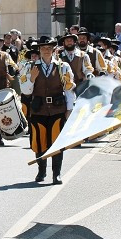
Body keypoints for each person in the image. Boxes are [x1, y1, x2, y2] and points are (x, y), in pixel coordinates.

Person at [19, 36, 75, 185]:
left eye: (49, 48)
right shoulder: (29, 67)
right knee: (39, 141)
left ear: (53, 49)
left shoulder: (63, 67)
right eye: (43, 48)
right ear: (39, 49)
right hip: (38, 109)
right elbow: (25, 91)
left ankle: (56, 173)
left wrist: (69, 109)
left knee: (57, 142)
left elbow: (69, 89)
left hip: (57, 109)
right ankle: (41, 170)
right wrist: (32, 79)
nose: (46, 50)